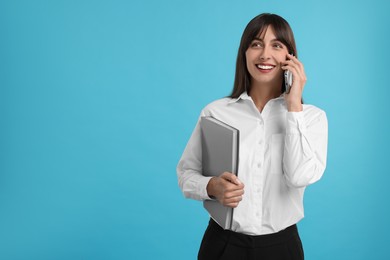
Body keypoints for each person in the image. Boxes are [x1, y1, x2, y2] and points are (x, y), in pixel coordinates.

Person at [177, 13, 328, 260]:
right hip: (222, 244)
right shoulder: (215, 112)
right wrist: (211, 186)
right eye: (256, 44)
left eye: (276, 45)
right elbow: (185, 174)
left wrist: (293, 109)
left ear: (290, 57)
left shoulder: (312, 118)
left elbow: (300, 176)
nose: (265, 54)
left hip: (282, 247)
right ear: (244, 53)